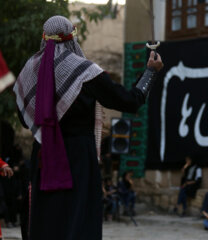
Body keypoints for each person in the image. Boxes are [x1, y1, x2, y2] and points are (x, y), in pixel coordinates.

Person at [13, 16, 163, 240]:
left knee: (47, 219)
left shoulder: (28, 72)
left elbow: (26, 121)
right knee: (78, 218)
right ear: (72, 36)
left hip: (44, 157)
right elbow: (130, 101)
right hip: (78, 159)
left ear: (44, 37)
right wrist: (150, 72)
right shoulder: (85, 72)